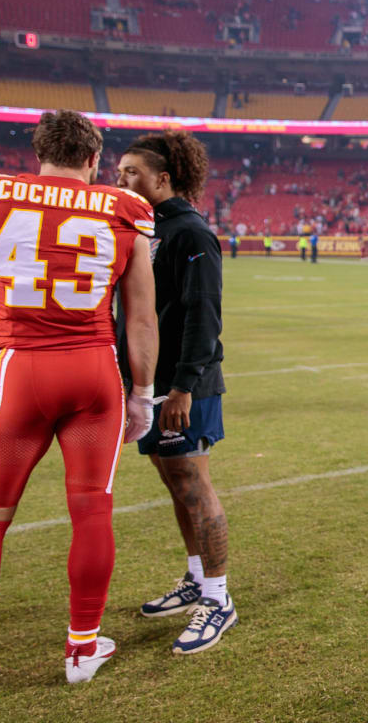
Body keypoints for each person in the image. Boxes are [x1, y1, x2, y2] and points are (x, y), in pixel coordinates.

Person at [0, 109, 158, 695]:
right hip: (95, 374)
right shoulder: (125, 210)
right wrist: (141, 394)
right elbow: (139, 318)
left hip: (20, 371)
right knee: (92, 512)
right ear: (94, 159)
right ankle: (82, 648)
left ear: (38, 152)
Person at [115, 130, 236, 655]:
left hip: (187, 385)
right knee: (172, 481)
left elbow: (203, 316)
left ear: (162, 179)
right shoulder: (145, 230)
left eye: (131, 174)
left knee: (193, 483)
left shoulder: (190, 233)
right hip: (153, 383)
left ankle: (218, 598)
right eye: (118, 173)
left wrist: (184, 386)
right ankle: (194, 579)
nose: (120, 181)